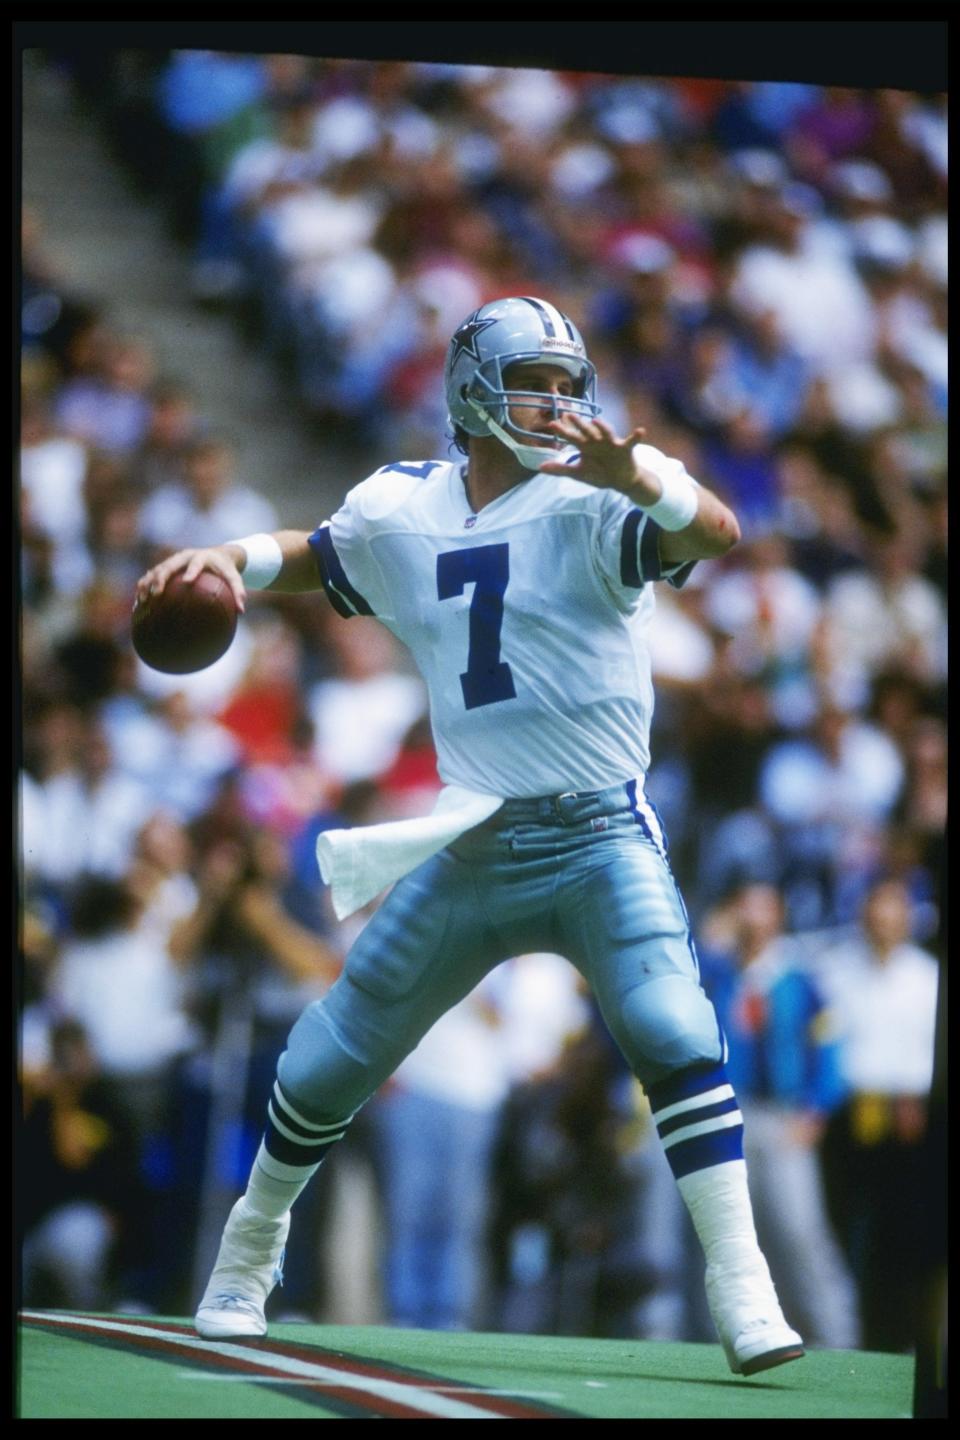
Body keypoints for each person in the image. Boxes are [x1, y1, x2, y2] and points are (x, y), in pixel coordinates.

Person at [136, 295, 802, 1376]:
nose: (555, 401)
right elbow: (320, 552)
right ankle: (245, 1260)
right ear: (470, 388)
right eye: (533, 379)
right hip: (478, 837)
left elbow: (713, 532)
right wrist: (226, 558)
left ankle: (744, 1287)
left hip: (597, 834)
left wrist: (641, 474)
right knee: (325, 1060)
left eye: (563, 381)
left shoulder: (596, 495)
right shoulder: (404, 508)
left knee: (674, 1029)